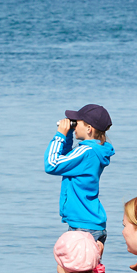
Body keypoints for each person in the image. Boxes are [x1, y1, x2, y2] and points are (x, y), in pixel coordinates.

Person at [44, 104, 115, 245]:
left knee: (71, 267)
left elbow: (51, 164)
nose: (74, 125)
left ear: (89, 129)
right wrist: (69, 135)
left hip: (84, 227)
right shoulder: (94, 150)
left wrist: (60, 135)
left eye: (77, 123)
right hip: (91, 224)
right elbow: (65, 161)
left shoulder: (86, 152)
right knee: (91, 267)